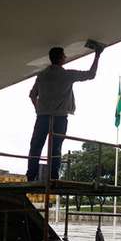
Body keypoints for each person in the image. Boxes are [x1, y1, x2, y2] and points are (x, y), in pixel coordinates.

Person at [26, 46, 101, 181]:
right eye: (64, 55)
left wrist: (38, 108)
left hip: (42, 116)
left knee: (36, 146)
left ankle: (31, 175)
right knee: (56, 148)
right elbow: (91, 74)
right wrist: (97, 55)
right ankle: (53, 177)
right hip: (60, 118)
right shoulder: (67, 75)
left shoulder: (42, 75)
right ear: (61, 58)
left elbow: (32, 95)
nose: (65, 57)